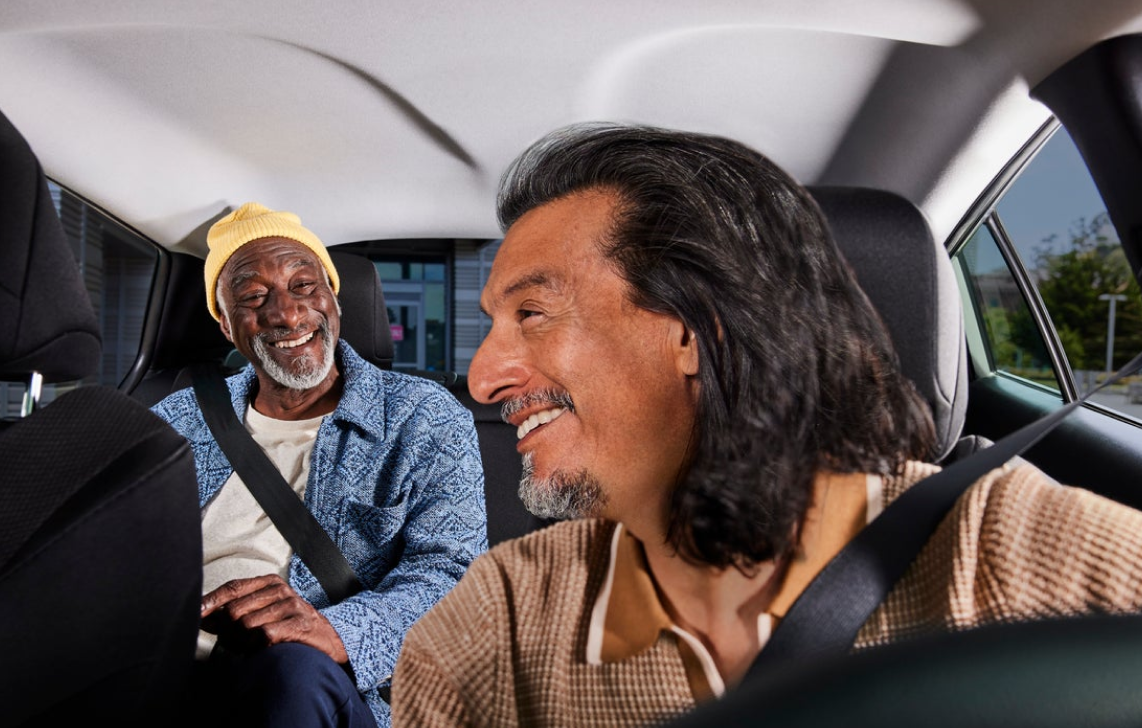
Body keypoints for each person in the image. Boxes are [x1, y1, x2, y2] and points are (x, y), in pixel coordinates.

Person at [389, 123, 1142, 727]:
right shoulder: (496, 627)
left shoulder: (1007, 549)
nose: (482, 380)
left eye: (532, 314)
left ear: (696, 328)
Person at [151, 202, 487, 728]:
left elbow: (454, 576)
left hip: (310, 687)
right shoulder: (177, 418)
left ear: (333, 297)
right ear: (224, 324)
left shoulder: (421, 416)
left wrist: (339, 632)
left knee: (291, 674)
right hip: (160, 674)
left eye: (305, 286)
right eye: (253, 296)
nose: (286, 313)